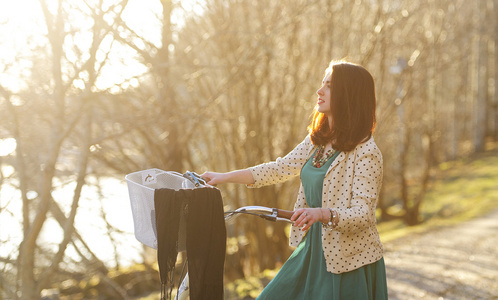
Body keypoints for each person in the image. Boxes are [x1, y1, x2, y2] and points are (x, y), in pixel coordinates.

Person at [201, 61, 388, 299]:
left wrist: (321, 213)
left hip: (349, 263)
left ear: (348, 95)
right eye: (322, 84)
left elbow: (363, 214)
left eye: (329, 86)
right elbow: (279, 169)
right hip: (311, 252)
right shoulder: (317, 143)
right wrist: (224, 177)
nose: (319, 92)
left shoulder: (367, 153)